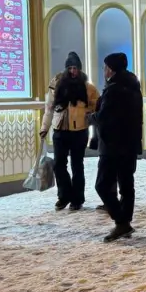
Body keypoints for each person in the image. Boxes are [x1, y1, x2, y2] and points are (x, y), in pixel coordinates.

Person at [93, 53, 143, 242]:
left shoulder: (113, 89)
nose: (104, 71)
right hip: (129, 144)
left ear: (111, 69)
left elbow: (104, 117)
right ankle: (125, 222)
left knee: (102, 185)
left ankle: (121, 222)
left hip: (112, 146)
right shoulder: (133, 85)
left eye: (105, 67)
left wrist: (90, 118)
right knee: (126, 184)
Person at [40, 52, 100, 211]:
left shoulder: (89, 88)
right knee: (59, 165)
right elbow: (49, 109)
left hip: (79, 130)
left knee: (77, 165)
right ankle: (64, 195)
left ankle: (77, 198)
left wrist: (89, 118)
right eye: (70, 68)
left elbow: (97, 108)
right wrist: (44, 128)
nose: (73, 71)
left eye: (75, 68)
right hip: (60, 130)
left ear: (80, 69)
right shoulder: (56, 86)